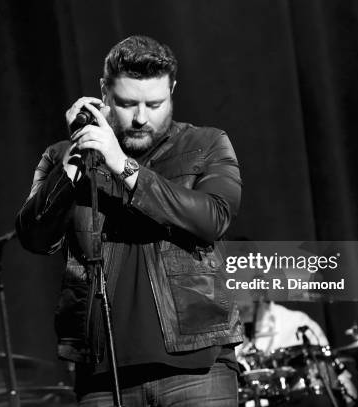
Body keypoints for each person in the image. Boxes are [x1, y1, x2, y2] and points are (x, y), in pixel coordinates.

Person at [16, 35, 243, 406]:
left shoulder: (206, 144)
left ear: (172, 90)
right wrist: (73, 161)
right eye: (126, 103)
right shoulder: (63, 156)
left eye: (154, 104)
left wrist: (122, 165)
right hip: (103, 378)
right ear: (104, 93)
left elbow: (213, 218)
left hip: (197, 370)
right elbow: (33, 237)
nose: (140, 117)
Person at [236, 301, 358, 406]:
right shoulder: (224, 327)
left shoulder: (294, 321)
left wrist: (343, 382)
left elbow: (327, 361)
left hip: (296, 398)